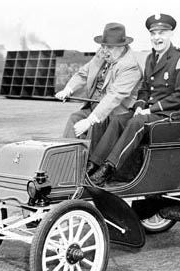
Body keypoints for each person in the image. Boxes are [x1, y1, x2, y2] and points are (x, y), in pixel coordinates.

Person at [90, 13, 180, 186]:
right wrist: (139, 105)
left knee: (136, 122)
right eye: (153, 33)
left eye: (162, 33)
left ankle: (108, 169)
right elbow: (145, 89)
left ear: (171, 34)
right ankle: (93, 164)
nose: (157, 37)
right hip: (151, 113)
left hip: (172, 116)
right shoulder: (150, 58)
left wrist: (150, 110)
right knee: (118, 120)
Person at [56, 22, 142, 165]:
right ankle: (66, 163)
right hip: (95, 106)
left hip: (114, 114)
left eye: (109, 47)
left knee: (93, 126)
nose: (104, 50)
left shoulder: (130, 66)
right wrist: (68, 89)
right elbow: (84, 73)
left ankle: (85, 169)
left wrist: (89, 120)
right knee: (74, 118)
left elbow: (113, 97)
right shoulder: (103, 53)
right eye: (103, 45)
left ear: (121, 47)